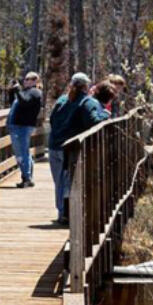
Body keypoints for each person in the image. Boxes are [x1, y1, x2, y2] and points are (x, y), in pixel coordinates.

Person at [46, 72, 109, 225]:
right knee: (69, 182)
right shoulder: (87, 102)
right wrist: (105, 116)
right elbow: (94, 122)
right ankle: (67, 214)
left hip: (54, 146)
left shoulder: (61, 100)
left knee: (60, 182)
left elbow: (53, 121)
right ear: (86, 86)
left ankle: (62, 213)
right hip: (70, 148)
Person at [7, 71, 43, 188]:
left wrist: (18, 90)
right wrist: (12, 91)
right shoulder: (26, 92)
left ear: (36, 81)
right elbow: (13, 103)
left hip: (23, 126)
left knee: (21, 153)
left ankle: (26, 178)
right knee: (23, 152)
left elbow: (25, 102)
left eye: (30, 79)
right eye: (25, 79)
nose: (26, 81)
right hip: (17, 126)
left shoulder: (35, 92)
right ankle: (27, 177)